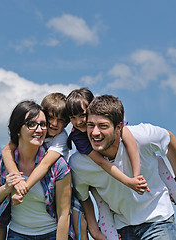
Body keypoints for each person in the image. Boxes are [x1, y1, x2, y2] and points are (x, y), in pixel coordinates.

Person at [69, 94, 176, 239]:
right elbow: (84, 197)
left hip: (157, 219)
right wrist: (94, 228)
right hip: (122, 226)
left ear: (119, 127)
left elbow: (170, 140)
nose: (95, 132)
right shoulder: (79, 163)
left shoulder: (142, 136)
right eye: (91, 125)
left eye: (103, 126)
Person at [0, 100, 73, 240]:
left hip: (52, 234)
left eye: (43, 124)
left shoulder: (58, 165)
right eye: (31, 124)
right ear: (18, 129)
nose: (39, 130)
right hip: (17, 234)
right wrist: (7, 187)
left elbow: (63, 214)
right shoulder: (3, 156)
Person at [66, 88, 149, 240]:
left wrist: (136, 175)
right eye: (73, 117)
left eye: (82, 115)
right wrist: (129, 181)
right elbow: (101, 163)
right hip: (97, 183)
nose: (78, 122)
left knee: (158, 161)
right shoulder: (78, 136)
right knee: (104, 211)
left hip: (115, 179)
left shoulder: (110, 123)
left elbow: (128, 139)